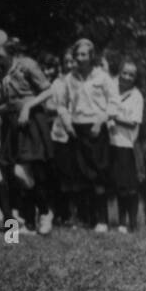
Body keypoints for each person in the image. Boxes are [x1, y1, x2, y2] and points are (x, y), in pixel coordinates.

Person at [0, 27, 56, 234]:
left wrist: (28, 106)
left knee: (22, 172)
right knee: (18, 174)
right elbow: (6, 98)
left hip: (31, 120)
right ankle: (32, 218)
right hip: (13, 123)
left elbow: (48, 90)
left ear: (8, 49)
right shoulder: (1, 69)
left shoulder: (27, 65)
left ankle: (45, 213)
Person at [56, 37, 119, 233]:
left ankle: (102, 220)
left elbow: (114, 102)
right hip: (77, 129)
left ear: (92, 57)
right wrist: (67, 124)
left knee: (99, 173)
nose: (80, 59)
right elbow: (62, 105)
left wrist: (101, 121)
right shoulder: (69, 79)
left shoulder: (102, 77)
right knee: (82, 175)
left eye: (84, 55)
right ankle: (86, 218)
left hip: (97, 128)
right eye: (77, 55)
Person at [108, 58, 144, 234]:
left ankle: (133, 223)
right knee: (118, 185)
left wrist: (114, 117)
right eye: (125, 73)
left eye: (132, 75)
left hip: (127, 144)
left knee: (131, 186)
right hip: (110, 142)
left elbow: (133, 122)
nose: (127, 77)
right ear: (119, 73)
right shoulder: (110, 88)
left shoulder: (137, 96)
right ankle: (121, 222)